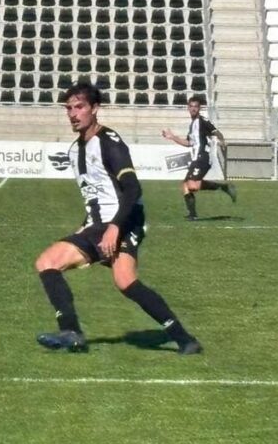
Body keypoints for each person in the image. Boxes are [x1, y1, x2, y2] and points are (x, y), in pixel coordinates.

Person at [34, 83, 201, 355]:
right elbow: (95, 195)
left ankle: (72, 331)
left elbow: (133, 189)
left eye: (79, 107)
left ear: (94, 109)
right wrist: (86, 224)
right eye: (68, 108)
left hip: (124, 221)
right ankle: (184, 339)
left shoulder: (109, 142)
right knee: (115, 279)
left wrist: (114, 228)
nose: (73, 114)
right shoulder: (75, 150)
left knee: (62, 265)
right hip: (99, 225)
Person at [161, 96, 237, 221]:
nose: (193, 109)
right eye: (191, 106)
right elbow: (188, 143)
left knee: (192, 186)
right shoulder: (192, 125)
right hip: (196, 158)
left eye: (196, 107)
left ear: (199, 108)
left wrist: (222, 140)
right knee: (185, 185)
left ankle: (224, 187)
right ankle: (193, 215)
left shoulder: (203, 121)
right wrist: (172, 137)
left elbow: (216, 131)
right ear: (188, 108)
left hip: (203, 157)